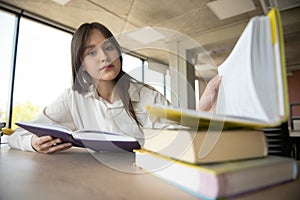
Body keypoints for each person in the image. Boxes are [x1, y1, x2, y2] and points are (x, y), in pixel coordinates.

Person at [8, 22, 220, 154]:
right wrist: (34, 143)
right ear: (80, 63)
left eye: (109, 47)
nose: (104, 57)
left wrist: (201, 112)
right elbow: (16, 135)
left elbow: (182, 137)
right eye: (91, 52)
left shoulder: (146, 97)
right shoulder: (73, 98)